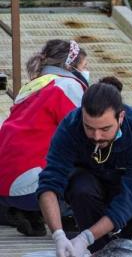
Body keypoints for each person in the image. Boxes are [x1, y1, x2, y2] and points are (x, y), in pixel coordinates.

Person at [37, 77, 132, 257]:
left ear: (121, 117)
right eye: (89, 128)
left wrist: (85, 238)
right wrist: (58, 235)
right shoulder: (70, 126)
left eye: (105, 129)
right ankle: (99, 256)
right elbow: (49, 184)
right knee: (80, 187)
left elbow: (129, 199)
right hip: (89, 186)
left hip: (127, 187)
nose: (96, 136)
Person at [0, 39, 89, 236]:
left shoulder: (32, 86)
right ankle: (68, 215)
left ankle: (31, 214)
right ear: (70, 66)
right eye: (84, 66)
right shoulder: (68, 86)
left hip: (7, 184)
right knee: (90, 155)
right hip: (35, 188)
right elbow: (85, 134)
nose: (86, 72)